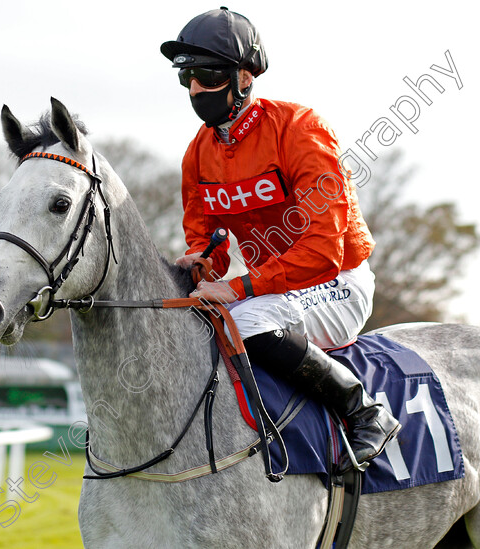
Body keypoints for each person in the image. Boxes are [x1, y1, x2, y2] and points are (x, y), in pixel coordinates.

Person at [162, 7, 400, 467]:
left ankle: (363, 409)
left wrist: (235, 287)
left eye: (207, 74)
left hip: (337, 282)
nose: (195, 89)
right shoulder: (197, 153)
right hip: (272, 287)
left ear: (245, 78)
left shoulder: (300, 129)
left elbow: (323, 251)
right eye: (186, 76)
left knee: (245, 322)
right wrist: (198, 262)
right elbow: (203, 238)